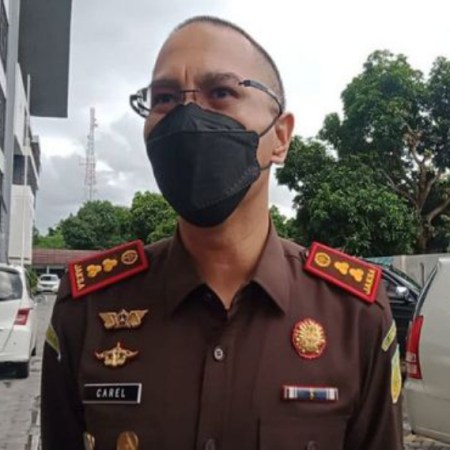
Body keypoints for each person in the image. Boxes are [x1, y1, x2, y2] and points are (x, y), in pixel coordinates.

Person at [41, 16, 404, 450]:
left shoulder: (354, 316)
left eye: (221, 93)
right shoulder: (86, 309)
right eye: (164, 98)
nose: (188, 117)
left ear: (281, 137)